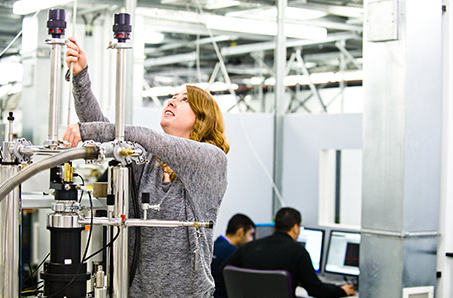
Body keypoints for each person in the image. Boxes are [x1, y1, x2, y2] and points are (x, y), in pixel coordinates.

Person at [63, 36, 229, 297]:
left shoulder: (211, 161)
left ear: (202, 118)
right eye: (173, 96)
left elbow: (142, 135)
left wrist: (88, 131)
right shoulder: (148, 160)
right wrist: (81, 75)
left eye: (184, 100)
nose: (172, 101)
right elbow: (111, 135)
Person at [221, 207, 356, 298]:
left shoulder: (248, 248)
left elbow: (222, 272)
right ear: (296, 228)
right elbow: (315, 289)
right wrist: (341, 290)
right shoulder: (298, 252)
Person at [211, 214, 255, 298]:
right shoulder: (233, 252)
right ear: (240, 232)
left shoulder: (213, 246)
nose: (252, 239)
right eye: (250, 234)